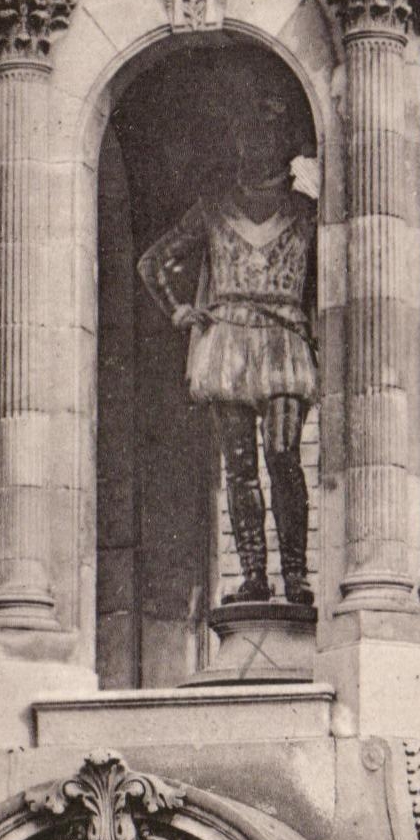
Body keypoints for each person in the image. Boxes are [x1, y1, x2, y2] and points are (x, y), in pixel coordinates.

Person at [137, 95, 318, 606]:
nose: (253, 146)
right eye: (245, 136)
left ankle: (297, 576)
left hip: (283, 339)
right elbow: (153, 262)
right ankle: (256, 577)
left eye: (263, 137)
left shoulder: (307, 214)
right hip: (229, 343)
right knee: (238, 467)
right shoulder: (214, 210)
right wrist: (179, 310)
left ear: (283, 146)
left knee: (283, 456)